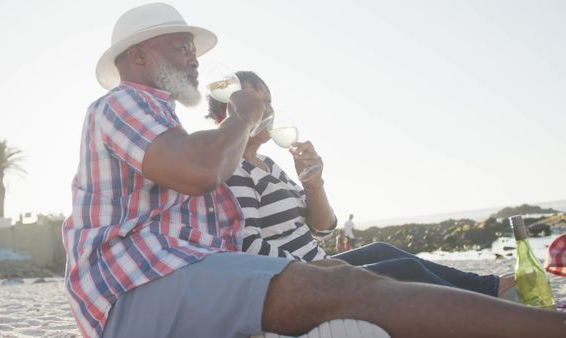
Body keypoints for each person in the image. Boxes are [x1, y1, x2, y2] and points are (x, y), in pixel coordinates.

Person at [63, 4, 566, 338]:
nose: (193, 59)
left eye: (194, 49)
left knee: (343, 272)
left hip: (173, 279)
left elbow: (286, 230)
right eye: (181, 48)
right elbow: (202, 173)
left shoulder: (164, 124)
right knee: (352, 287)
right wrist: (242, 114)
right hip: (137, 290)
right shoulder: (122, 103)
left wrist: (312, 189)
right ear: (139, 54)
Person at [209, 70, 514, 297]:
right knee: (404, 271)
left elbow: (323, 230)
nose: (269, 111)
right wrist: (315, 269)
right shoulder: (233, 168)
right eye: (257, 102)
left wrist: (314, 184)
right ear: (230, 110)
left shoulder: (270, 166)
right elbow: (245, 244)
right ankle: (490, 305)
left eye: (270, 101)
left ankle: (490, 288)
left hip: (318, 263)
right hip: (297, 280)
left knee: (380, 249)